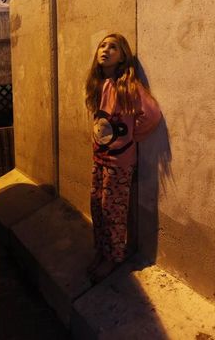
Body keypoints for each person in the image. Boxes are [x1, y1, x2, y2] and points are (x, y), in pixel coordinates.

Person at [85, 33, 162, 283]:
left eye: (113, 47)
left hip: (119, 162)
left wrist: (130, 137)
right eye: (103, 45)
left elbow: (151, 114)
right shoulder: (99, 85)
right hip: (100, 158)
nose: (105, 50)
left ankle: (114, 257)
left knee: (113, 211)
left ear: (122, 57)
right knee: (97, 205)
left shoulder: (127, 86)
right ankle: (101, 250)